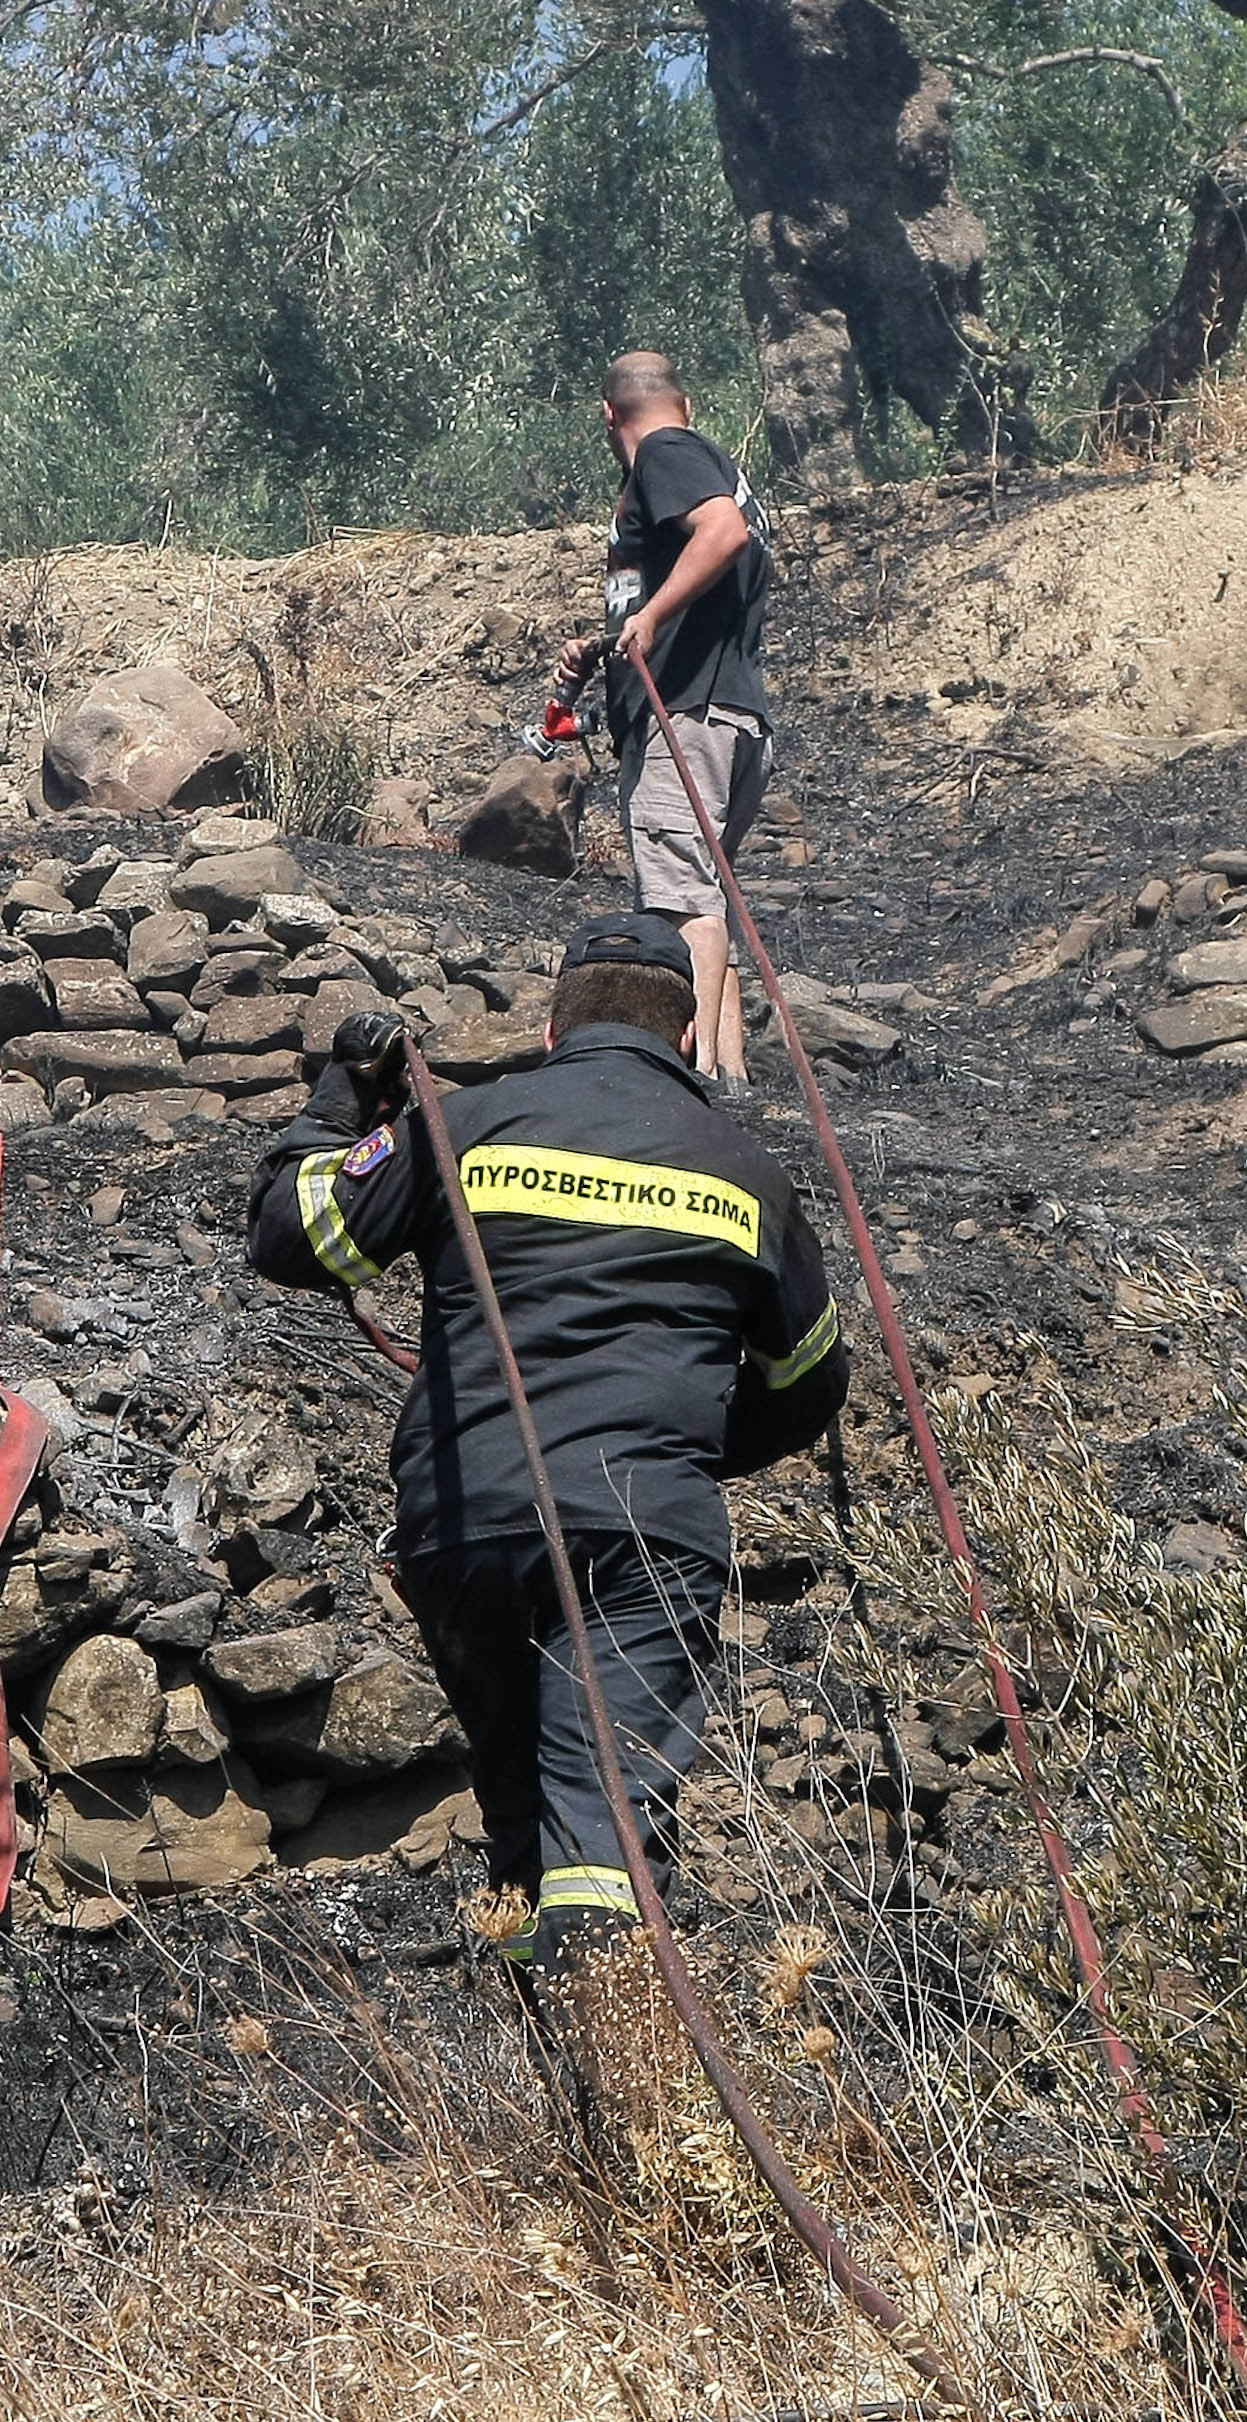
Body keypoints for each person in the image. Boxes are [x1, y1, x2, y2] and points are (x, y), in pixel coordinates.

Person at [242, 915, 848, 1971]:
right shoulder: (748, 1173)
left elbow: (293, 1234)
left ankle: (545, 2065)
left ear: (554, 1021)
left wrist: (344, 1097)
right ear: (691, 1029)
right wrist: (683, 1449)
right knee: (603, 1832)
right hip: (645, 1533)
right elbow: (809, 1381)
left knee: (522, 1812)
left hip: (467, 1518)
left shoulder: (464, 1126)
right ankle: (621, 2080)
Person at [550, 351, 778, 1085]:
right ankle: (733, 1079)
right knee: (705, 897)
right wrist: (605, 644)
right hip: (730, 715)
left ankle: (696, 1079)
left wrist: (647, 615)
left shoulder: (665, 453)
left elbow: (721, 534)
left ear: (607, 413)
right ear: (685, 400)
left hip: (688, 718)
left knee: (681, 906)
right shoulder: (699, 460)